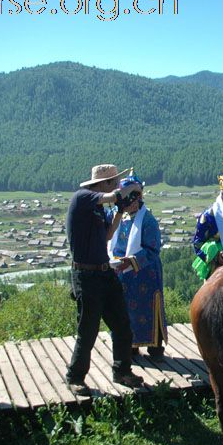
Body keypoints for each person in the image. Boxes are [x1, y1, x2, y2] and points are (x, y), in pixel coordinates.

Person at [65, 163, 145, 395]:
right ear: (105, 183)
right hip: (86, 275)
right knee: (87, 331)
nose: (118, 185)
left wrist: (120, 211)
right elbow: (111, 195)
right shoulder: (82, 197)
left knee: (122, 325)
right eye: (115, 181)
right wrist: (122, 195)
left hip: (103, 273)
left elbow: (108, 235)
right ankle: (75, 377)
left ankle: (122, 371)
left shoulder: (98, 208)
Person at [108, 173, 167, 359]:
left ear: (139, 198)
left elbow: (152, 249)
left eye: (132, 201)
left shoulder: (148, 220)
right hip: (121, 273)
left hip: (145, 273)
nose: (129, 206)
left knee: (149, 308)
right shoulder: (116, 216)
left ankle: (155, 347)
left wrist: (131, 261)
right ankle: (130, 346)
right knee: (123, 311)